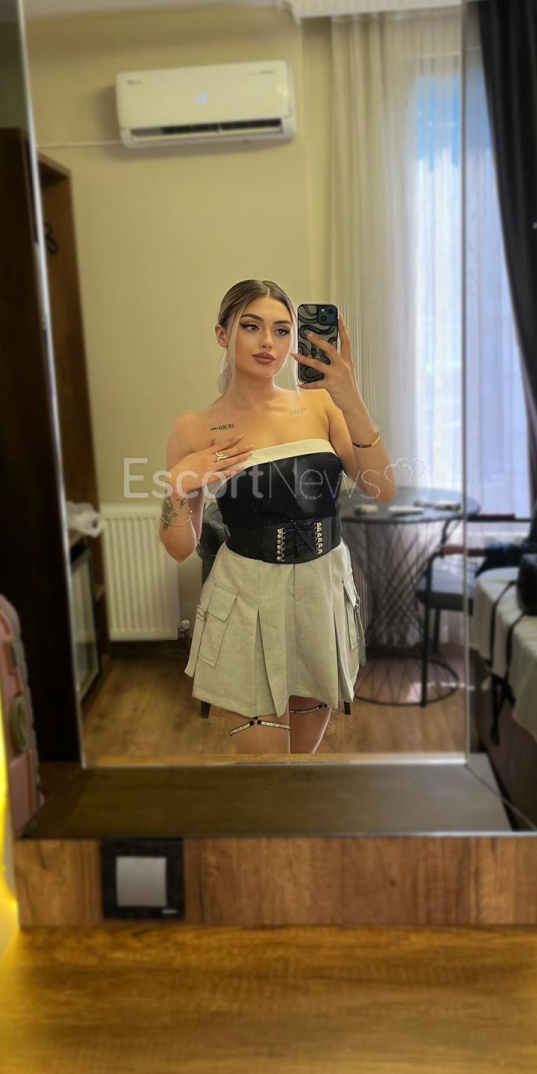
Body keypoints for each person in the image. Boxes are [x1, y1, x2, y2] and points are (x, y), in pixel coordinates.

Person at [159, 280, 395, 754]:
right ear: (223, 334)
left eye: (282, 330)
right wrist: (178, 486)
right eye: (252, 327)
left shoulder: (321, 405)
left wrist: (350, 395)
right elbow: (181, 547)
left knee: (301, 765)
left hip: (322, 585)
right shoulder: (194, 429)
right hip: (246, 592)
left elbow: (381, 488)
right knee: (265, 771)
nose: (269, 342)